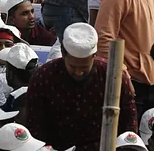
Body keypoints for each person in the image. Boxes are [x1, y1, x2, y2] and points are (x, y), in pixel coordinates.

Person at [26, 23, 137, 151]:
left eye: (84, 67)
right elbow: (35, 126)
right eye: (73, 67)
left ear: (94, 56)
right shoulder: (44, 77)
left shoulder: (112, 77)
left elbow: (129, 122)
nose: (78, 72)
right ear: (63, 54)